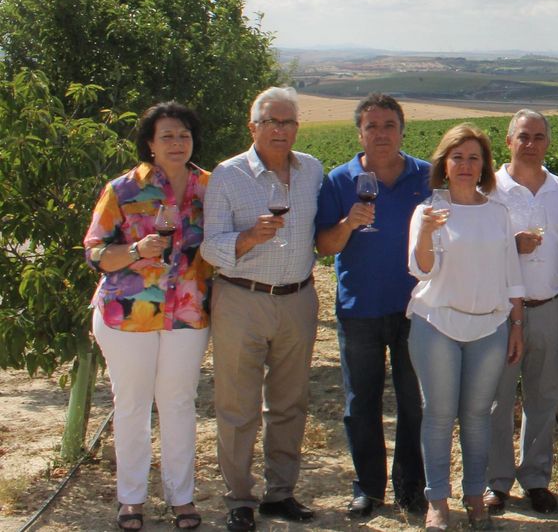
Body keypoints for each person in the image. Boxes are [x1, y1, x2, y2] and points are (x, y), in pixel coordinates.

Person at [84, 102, 212, 532]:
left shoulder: (209, 188)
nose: (177, 143)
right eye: (167, 136)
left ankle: (182, 499)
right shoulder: (122, 190)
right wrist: (137, 251)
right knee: (133, 405)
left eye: (184, 135)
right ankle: (131, 500)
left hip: (187, 314)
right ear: (150, 144)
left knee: (178, 403)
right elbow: (95, 251)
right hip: (127, 315)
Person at [201, 87, 323, 532]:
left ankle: (281, 494)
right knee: (238, 405)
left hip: (298, 299)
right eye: (271, 121)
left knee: (290, 404)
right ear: (252, 127)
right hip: (241, 299)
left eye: (288, 122)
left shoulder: (311, 169)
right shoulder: (228, 175)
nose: (280, 129)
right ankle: (239, 499)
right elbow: (210, 247)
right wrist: (249, 238)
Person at [314, 93, 431, 518]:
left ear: (402, 129)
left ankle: (410, 488)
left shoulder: (427, 176)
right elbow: (324, 246)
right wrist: (348, 223)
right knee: (360, 403)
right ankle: (368, 488)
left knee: (412, 402)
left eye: (388, 126)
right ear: (359, 133)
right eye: (372, 127)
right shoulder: (339, 180)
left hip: (414, 309)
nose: (380, 134)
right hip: (359, 309)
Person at [406, 124, 525, 532]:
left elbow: (512, 276)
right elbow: (422, 270)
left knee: (478, 416)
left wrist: (516, 325)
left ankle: (475, 496)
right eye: (458, 157)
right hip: (437, 323)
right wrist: (425, 233)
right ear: (444, 163)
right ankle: (437, 502)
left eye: (474, 158)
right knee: (438, 415)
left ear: (484, 167)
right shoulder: (426, 213)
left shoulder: (498, 214)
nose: (465, 165)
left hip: (489, 326)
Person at [485, 110, 558, 515]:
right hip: (498, 310)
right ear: (508, 140)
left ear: (548, 143)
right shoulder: (489, 189)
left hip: (551, 307)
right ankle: (496, 481)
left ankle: (537, 478)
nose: (531, 143)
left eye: (539, 136)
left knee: (544, 396)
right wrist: (509, 246)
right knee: (496, 399)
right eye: (523, 136)